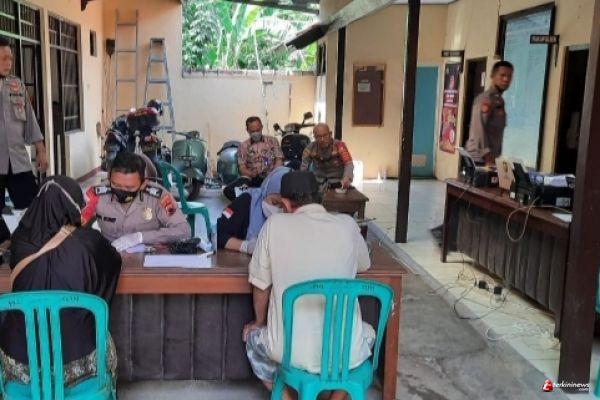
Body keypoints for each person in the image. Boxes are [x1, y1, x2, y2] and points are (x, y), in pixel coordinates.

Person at [243, 171, 374, 400]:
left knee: (253, 340)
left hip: (290, 353)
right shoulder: (347, 224)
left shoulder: (274, 225)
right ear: (320, 197)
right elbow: (364, 264)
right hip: (344, 353)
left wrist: (258, 323)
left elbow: (261, 286)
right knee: (367, 337)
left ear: (285, 203)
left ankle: (286, 397)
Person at [0, 175, 121, 386]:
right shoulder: (90, 242)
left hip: (20, 365)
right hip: (77, 362)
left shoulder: (19, 240)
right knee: (103, 334)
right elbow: (113, 263)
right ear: (74, 206)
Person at [81, 152, 191, 251]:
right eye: (116, 185)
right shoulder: (95, 194)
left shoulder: (159, 196)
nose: (122, 190)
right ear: (109, 178)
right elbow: (75, 225)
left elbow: (184, 230)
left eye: (129, 187)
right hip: (109, 254)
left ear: (143, 184)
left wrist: (140, 237)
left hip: (147, 254)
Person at [0, 37, 48, 211]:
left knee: (32, 209)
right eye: (4, 58)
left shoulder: (17, 85)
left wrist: (41, 150)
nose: (9, 63)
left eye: (10, 58)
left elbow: (30, 119)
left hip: (18, 160)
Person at [217, 166, 290, 254]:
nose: (277, 209)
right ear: (266, 191)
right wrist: (246, 246)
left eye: (283, 206)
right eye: (274, 203)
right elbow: (218, 235)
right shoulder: (246, 201)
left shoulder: (293, 212)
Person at [223, 116, 284, 201]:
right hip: (252, 180)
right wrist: (251, 173)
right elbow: (242, 168)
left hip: (271, 178)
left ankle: (257, 195)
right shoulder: (243, 146)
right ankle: (252, 198)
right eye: (252, 131)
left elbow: (279, 160)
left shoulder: (272, 141)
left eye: (258, 130)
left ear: (262, 127)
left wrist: (273, 174)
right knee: (229, 191)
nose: (256, 133)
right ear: (247, 130)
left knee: (283, 186)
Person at [465, 60, 514, 166]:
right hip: (480, 159)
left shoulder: (499, 100)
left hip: (490, 157)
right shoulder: (486, 99)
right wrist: (487, 156)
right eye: (502, 75)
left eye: (509, 76)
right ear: (492, 76)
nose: (506, 79)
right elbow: (478, 129)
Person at [300, 123, 353, 189]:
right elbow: (304, 166)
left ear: (330, 134)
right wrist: (303, 180)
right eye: (319, 136)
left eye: (325, 135)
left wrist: (347, 177)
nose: (322, 139)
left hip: (338, 183)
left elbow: (348, 163)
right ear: (315, 137)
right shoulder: (310, 148)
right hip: (317, 183)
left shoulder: (339, 145)